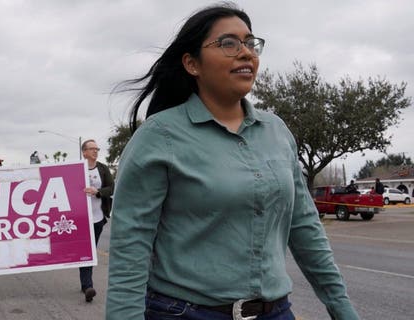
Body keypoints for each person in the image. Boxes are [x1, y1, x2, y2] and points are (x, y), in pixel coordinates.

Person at [105, 3, 359, 320]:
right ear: (192, 63)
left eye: (251, 43)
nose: (246, 53)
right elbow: (131, 248)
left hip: (276, 312)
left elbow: (304, 226)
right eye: (229, 43)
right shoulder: (159, 137)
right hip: (186, 313)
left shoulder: (276, 132)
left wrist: (341, 306)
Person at [80, 139, 114, 303]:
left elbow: (111, 188)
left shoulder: (102, 168)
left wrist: (98, 191)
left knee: (90, 250)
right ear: (84, 152)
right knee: (86, 251)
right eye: (91, 149)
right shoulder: (77, 169)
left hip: (98, 218)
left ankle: (85, 284)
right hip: (80, 219)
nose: (95, 151)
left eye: (97, 149)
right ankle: (88, 286)